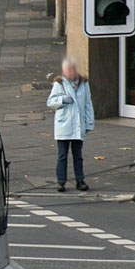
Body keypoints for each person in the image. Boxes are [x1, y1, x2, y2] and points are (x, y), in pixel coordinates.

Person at [46, 58, 95, 192]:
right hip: (64, 125)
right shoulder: (59, 84)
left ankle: (80, 181)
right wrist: (62, 100)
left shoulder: (84, 84)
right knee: (62, 155)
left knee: (78, 155)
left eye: (72, 69)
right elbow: (50, 102)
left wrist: (89, 123)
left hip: (79, 125)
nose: (70, 72)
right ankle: (61, 182)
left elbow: (88, 104)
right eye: (67, 70)